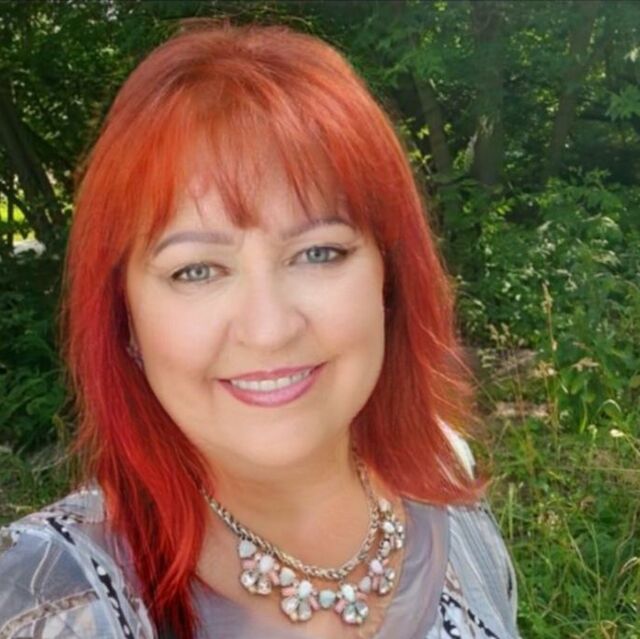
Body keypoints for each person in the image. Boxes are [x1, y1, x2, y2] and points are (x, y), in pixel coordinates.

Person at [0, 20, 519, 639]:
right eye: (196, 270)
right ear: (125, 318)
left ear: (389, 279)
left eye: (319, 253)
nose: (269, 329)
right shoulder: (50, 602)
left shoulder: (444, 483)